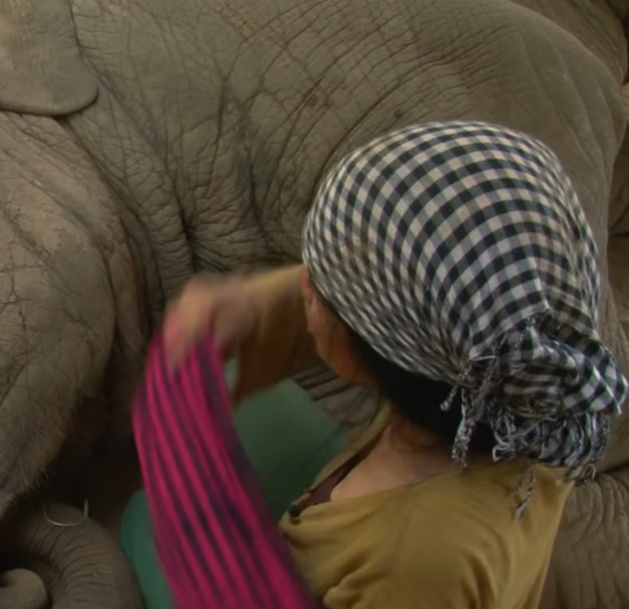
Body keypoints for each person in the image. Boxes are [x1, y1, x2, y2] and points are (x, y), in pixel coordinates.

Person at [119, 121, 628, 609]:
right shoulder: (528, 390)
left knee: (144, 524)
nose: (301, 286)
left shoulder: (417, 565)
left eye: (323, 293)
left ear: (395, 358)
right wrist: (247, 310)